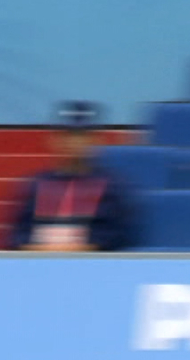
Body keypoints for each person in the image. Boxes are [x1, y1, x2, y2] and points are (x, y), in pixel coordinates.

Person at [7, 101, 132, 252]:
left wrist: (65, 253)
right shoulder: (34, 185)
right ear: (53, 139)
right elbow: (17, 238)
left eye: (82, 135)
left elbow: (114, 240)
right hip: (38, 267)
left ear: (97, 139)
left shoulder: (113, 188)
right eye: (66, 134)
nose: (73, 142)